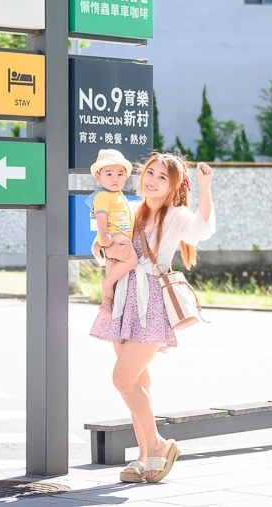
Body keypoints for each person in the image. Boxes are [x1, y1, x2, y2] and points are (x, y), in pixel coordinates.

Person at [89, 152, 215, 484]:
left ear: (174, 186)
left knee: (123, 379)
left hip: (151, 302)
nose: (153, 179)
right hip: (122, 298)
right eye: (150, 172)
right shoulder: (129, 208)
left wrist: (204, 185)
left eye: (162, 176)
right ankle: (145, 456)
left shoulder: (176, 214)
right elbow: (99, 245)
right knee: (138, 382)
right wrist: (106, 250)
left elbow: (201, 230)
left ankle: (159, 444)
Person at [88, 148, 138, 321]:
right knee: (131, 260)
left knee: (113, 274)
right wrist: (103, 238)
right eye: (109, 174)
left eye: (120, 174)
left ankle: (106, 304)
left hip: (117, 238)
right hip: (115, 237)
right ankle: (106, 284)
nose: (115, 178)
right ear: (98, 176)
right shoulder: (102, 195)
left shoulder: (118, 195)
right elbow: (101, 217)